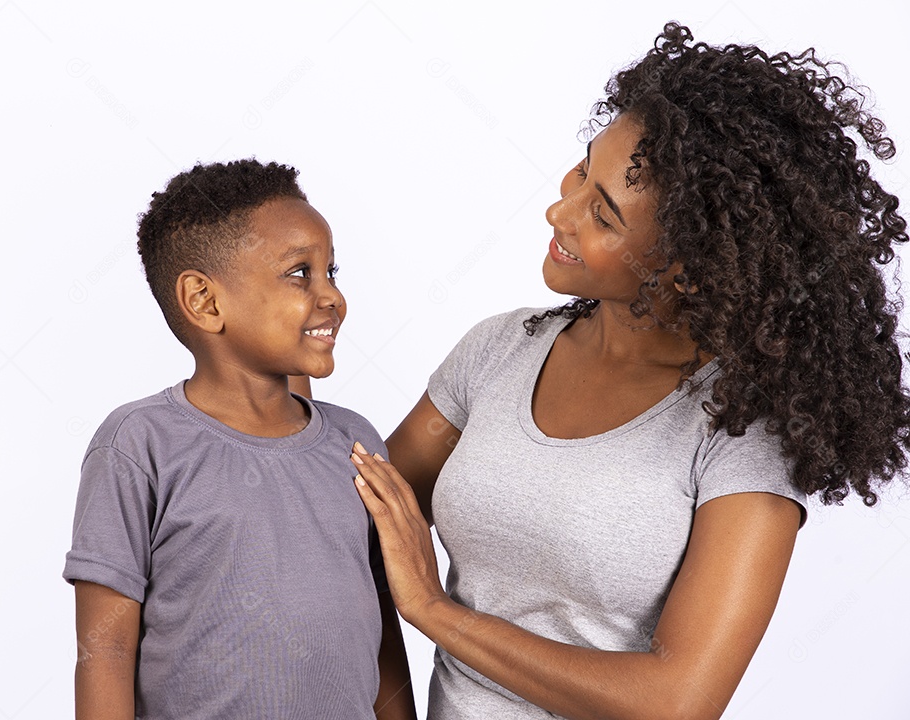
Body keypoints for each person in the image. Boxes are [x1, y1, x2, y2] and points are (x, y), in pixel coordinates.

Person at [349, 22, 910, 720]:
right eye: (584, 170)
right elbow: (355, 538)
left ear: (695, 269)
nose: (560, 209)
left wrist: (434, 611)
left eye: (604, 215)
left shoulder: (740, 431)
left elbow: (677, 702)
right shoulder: (498, 350)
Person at [63, 159, 417, 720]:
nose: (332, 297)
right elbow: (105, 650)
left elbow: (382, 633)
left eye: (333, 272)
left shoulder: (355, 442)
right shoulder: (139, 445)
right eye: (301, 273)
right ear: (205, 301)